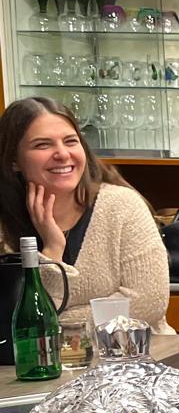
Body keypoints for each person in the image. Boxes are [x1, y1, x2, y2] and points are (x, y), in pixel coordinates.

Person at [0, 96, 170, 332]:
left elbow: (148, 303)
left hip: (137, 353)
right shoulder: (3, 229)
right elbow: (11, 321)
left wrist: (56, 322)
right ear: (14, 161)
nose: (62, 154)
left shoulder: (122, 206)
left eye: (71, 141)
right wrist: (52, 249)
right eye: (42, 145)